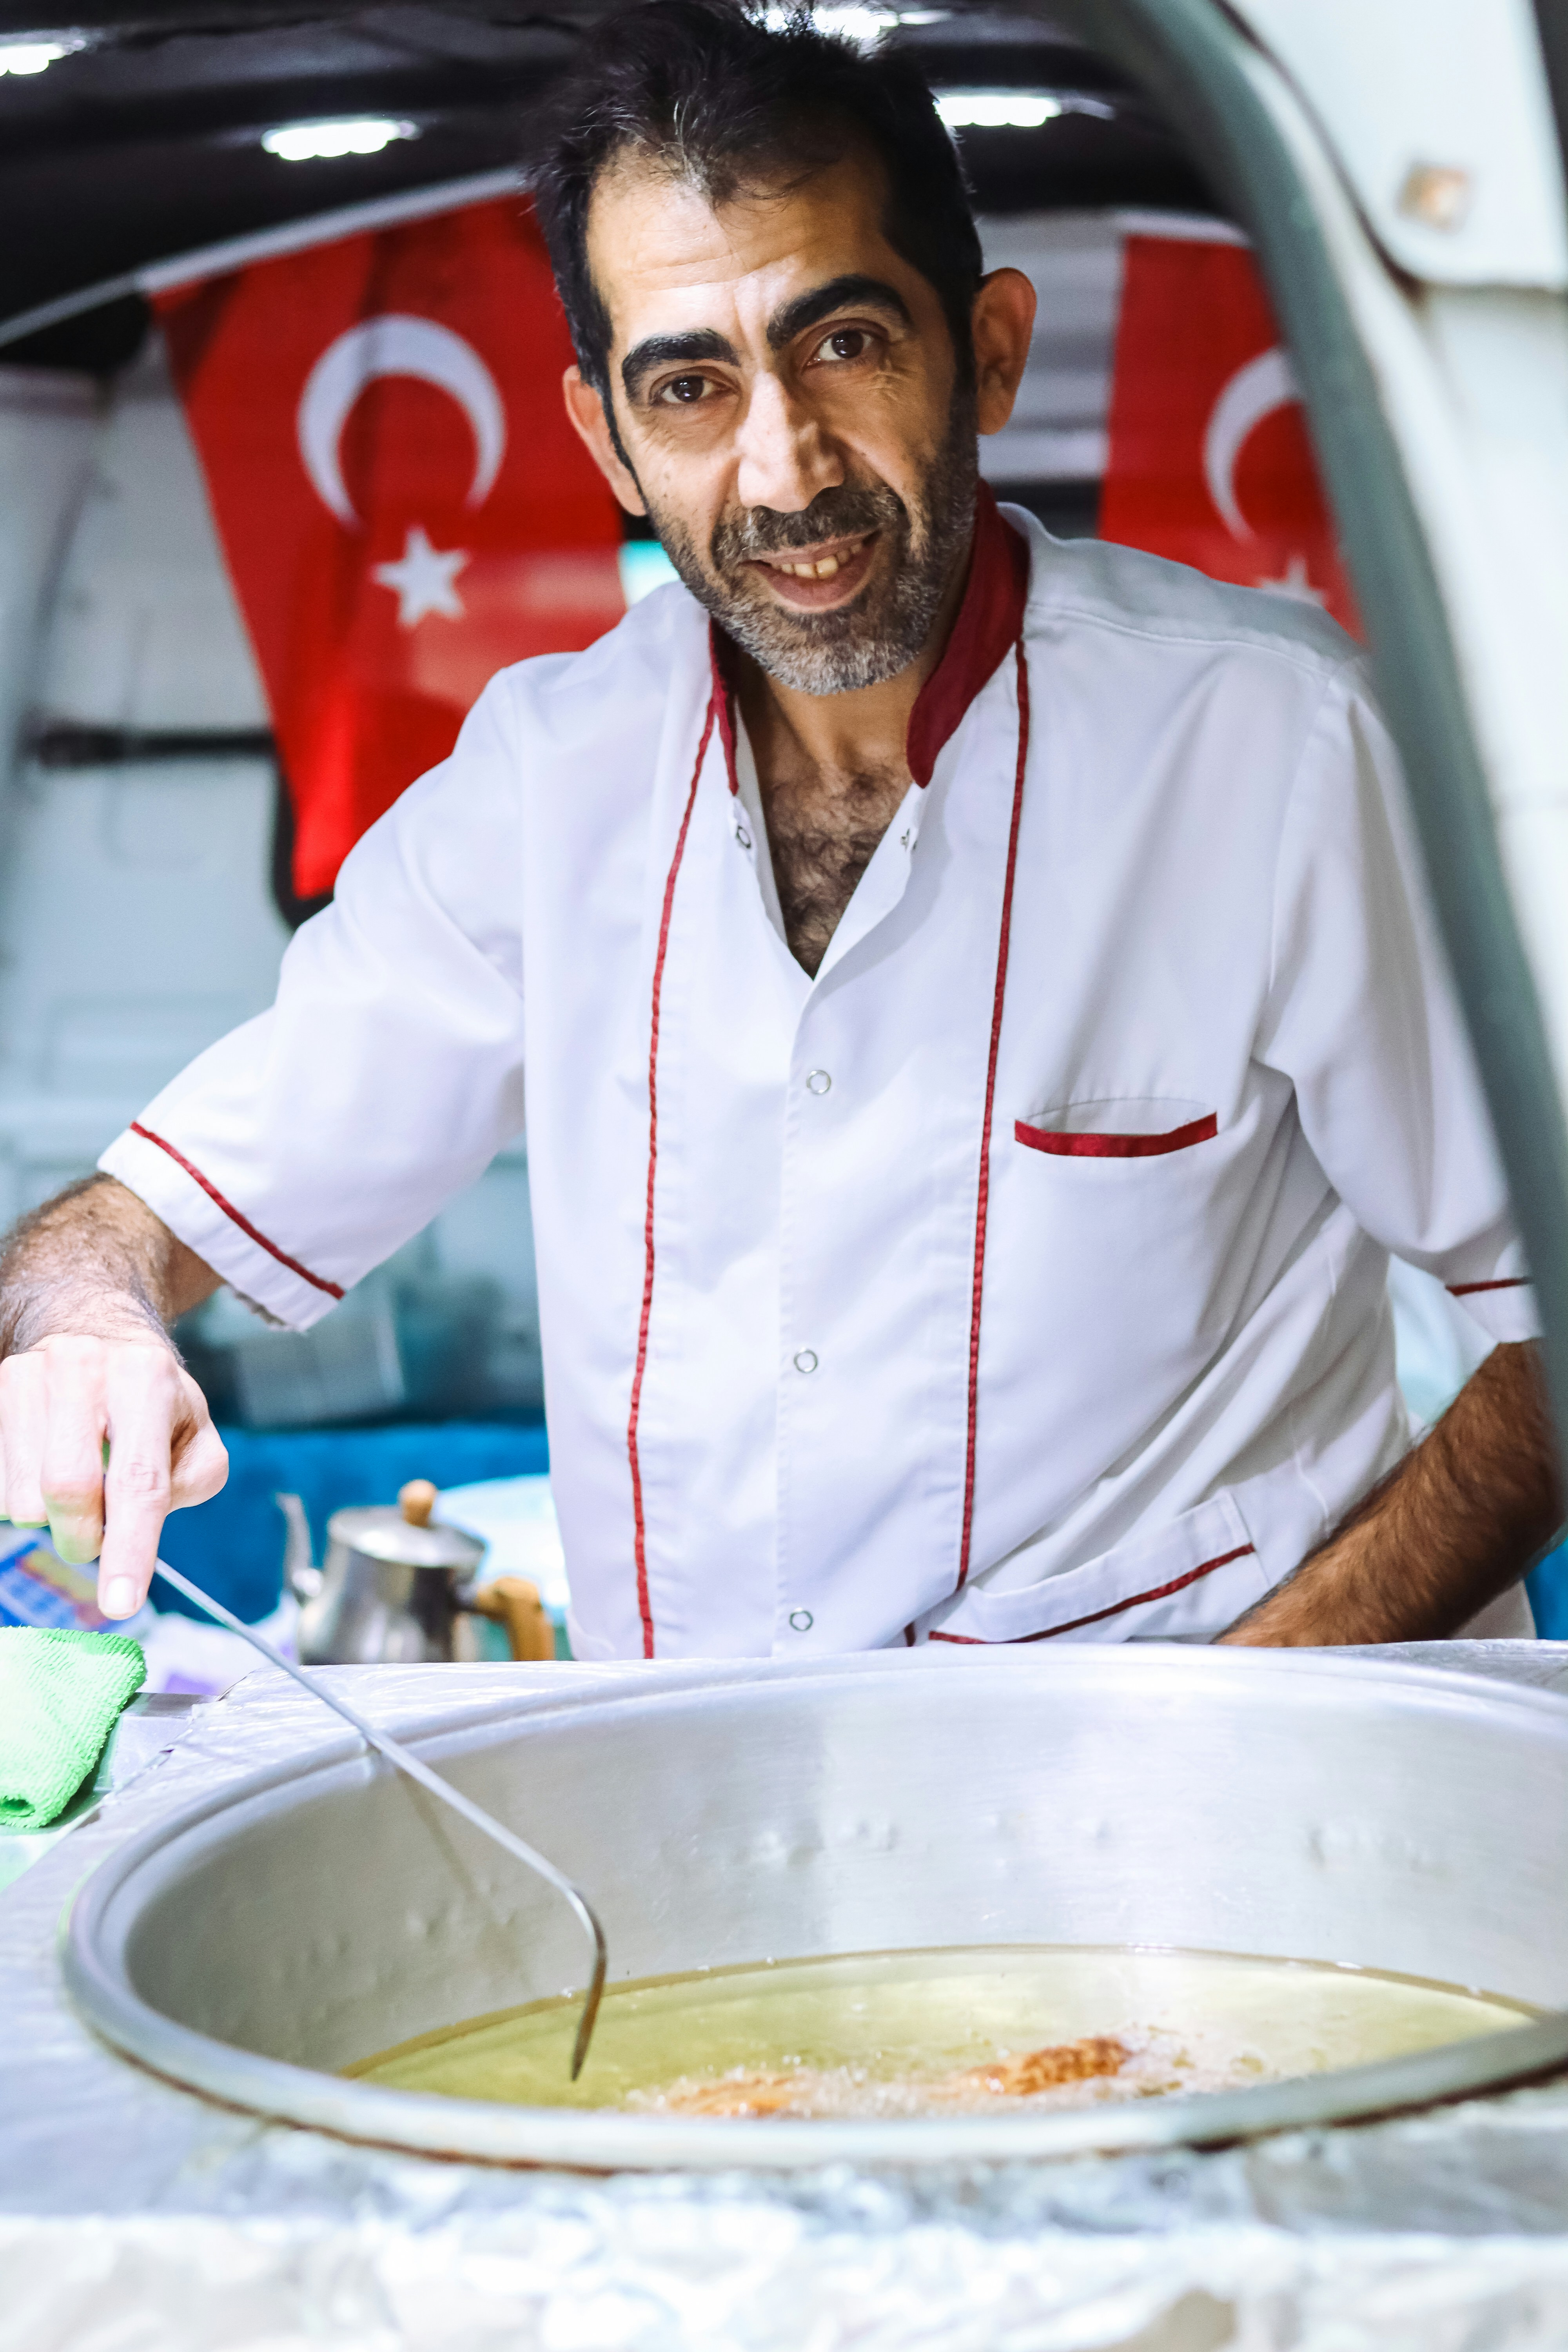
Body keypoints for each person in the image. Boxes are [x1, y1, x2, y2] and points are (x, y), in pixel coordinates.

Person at [0, 0, 1558, 1657]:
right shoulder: (546, 781)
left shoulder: (1279, 746)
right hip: (715, 1825)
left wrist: (1241, 1713)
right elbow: (125, 1221)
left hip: (1219, 1837)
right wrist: (87, 1323)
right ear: (604, 439)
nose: (782, 466)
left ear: (991, 351)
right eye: (688, 386)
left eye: (845, 344)